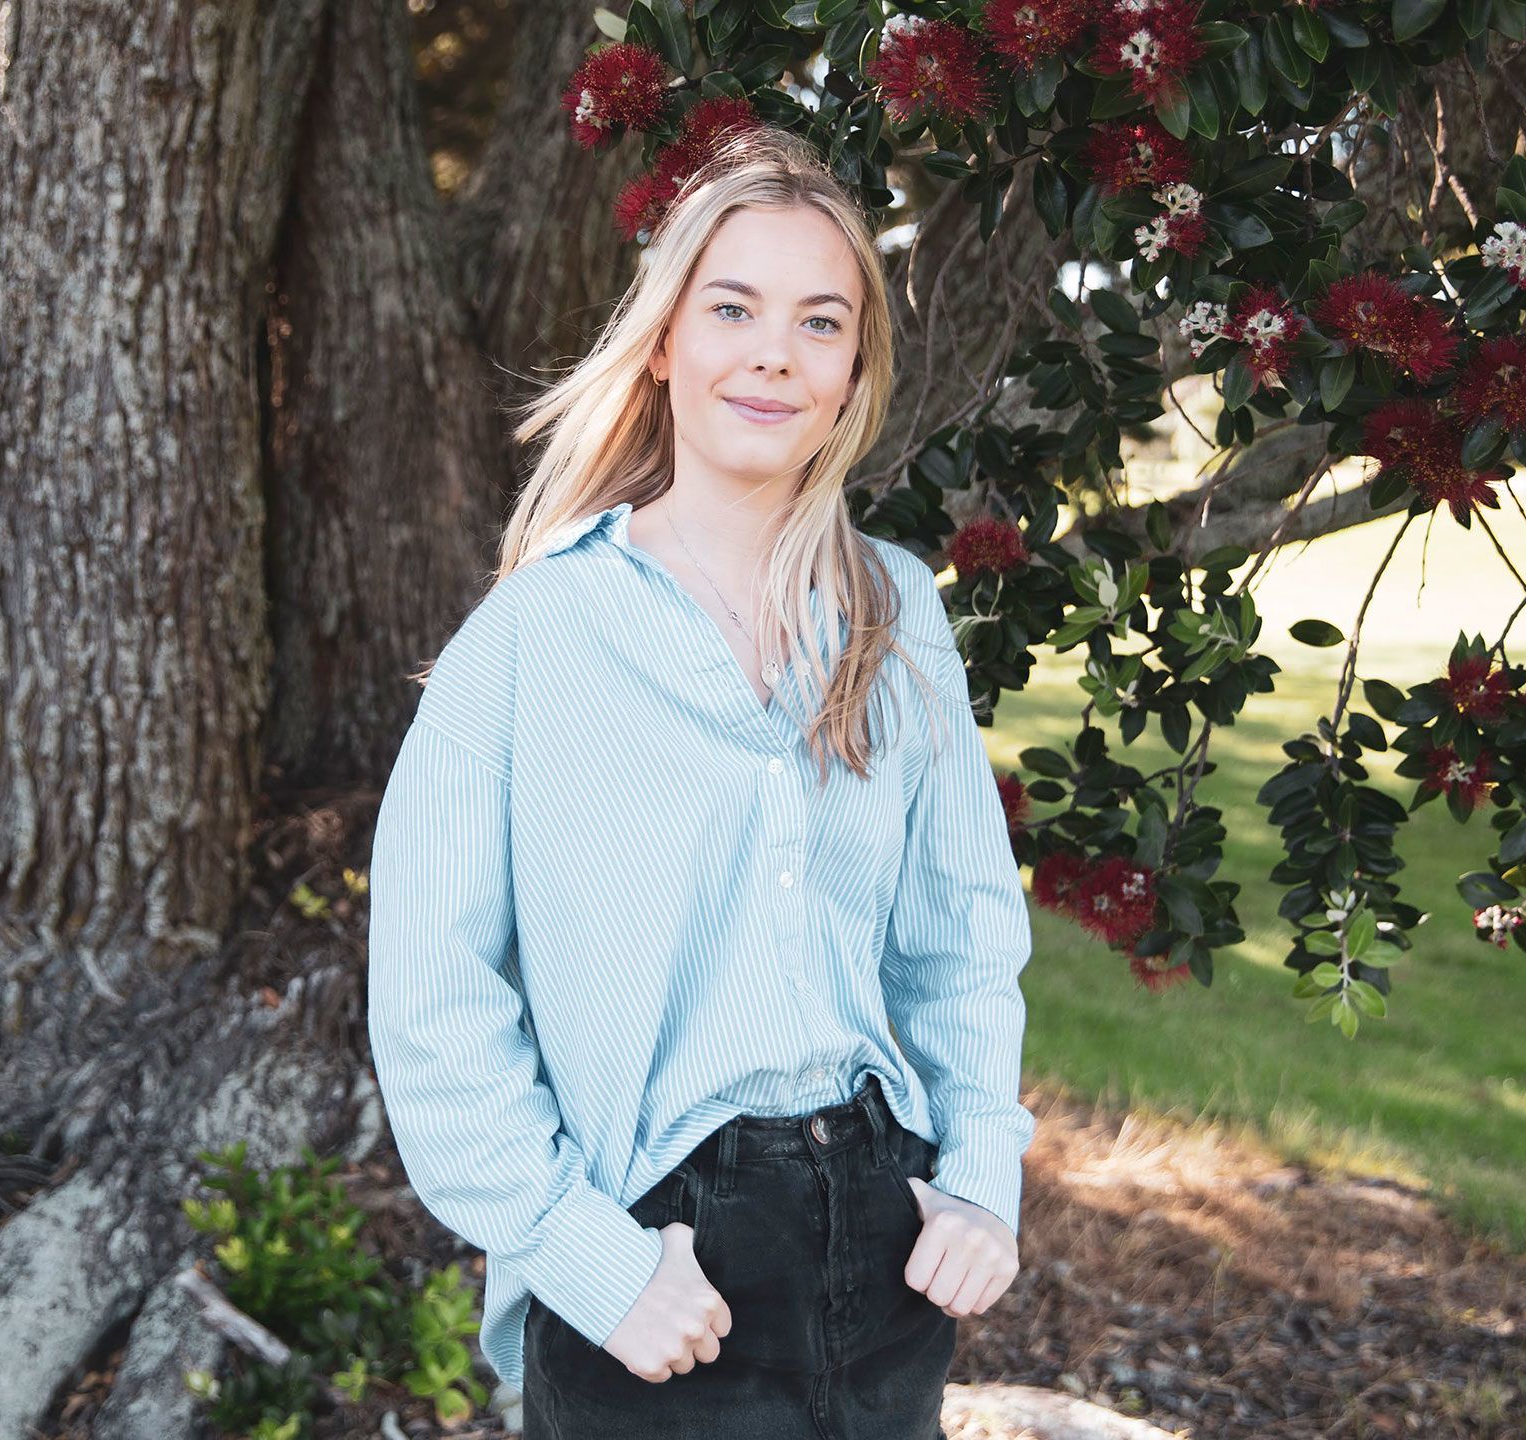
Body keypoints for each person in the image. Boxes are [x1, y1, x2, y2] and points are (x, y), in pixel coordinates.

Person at [365, 123, 1035, 1440]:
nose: (775, 352)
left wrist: (981, 1179)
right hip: (661, 1261)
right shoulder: (535, 638)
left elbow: (960, 937)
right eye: (734, 307)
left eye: (821, 322)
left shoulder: (894, 608)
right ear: (666, 339)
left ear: (853, 375)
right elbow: (433, 1003)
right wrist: (589, 1260)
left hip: (884, 1240)